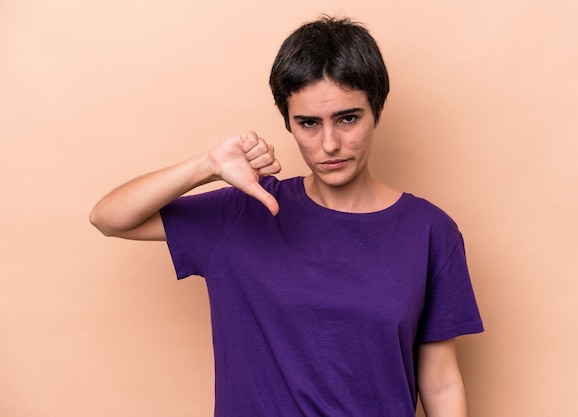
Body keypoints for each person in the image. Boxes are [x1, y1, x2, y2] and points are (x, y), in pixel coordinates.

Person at [90, 15, 483, 417]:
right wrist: (206, 165)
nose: (330, 144)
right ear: (288, 124)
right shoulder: (245, 210)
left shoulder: (429, 232)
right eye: (309, 123)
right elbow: (109, 217)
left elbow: (441, 381)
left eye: (348, 118)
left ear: (376, 111)